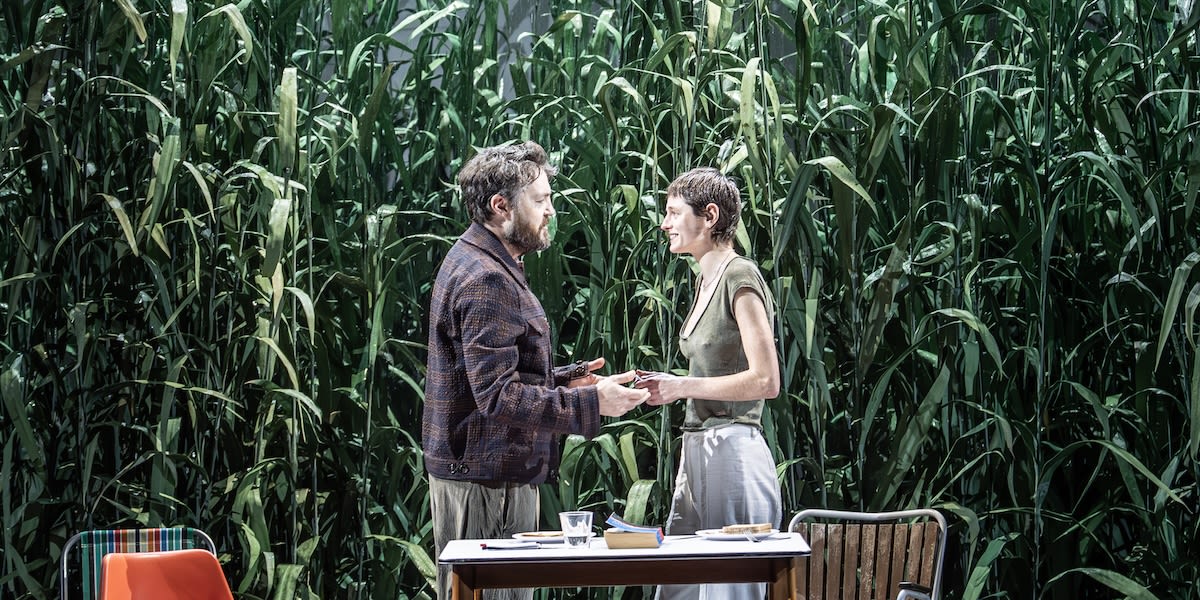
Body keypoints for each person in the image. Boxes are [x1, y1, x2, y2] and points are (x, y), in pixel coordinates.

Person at [422, 141, 649, 599]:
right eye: (541, 200)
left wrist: (569, 380)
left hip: (482, 475)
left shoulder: (480, 259)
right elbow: (498, 397)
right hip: (486, 483)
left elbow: (488, 374)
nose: (550, 211)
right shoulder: (487, 277)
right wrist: (591, 403)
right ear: (500, 206)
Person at [636, 167, 783, 600]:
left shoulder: (740, 276)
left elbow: (766, 379)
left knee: (728, 592)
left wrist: (681, 387)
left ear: (710, 216)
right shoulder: (703, 279)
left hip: (733, 451)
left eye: (674, 212)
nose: (664, 224)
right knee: (678, 588)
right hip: (698, 447)